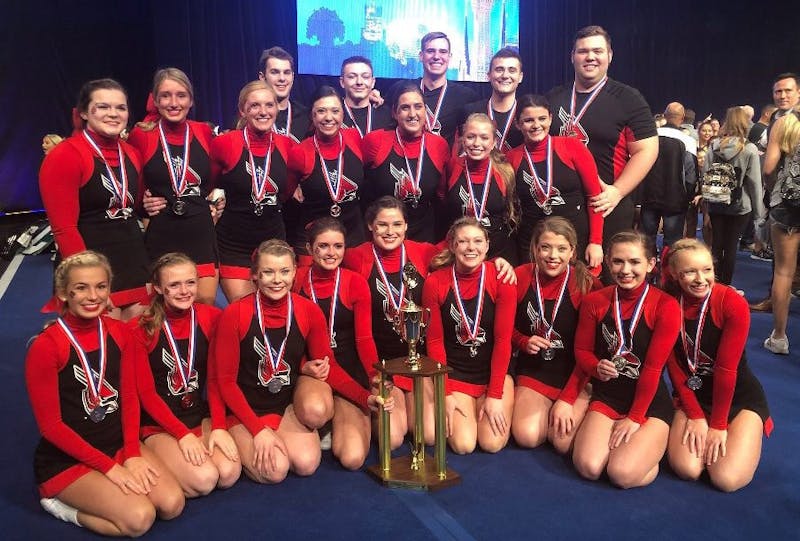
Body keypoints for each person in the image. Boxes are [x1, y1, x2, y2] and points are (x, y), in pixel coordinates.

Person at [25, 251, 184, 535]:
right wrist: (110, 468)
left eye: (100, 286)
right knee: (139, 519)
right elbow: (51, 427)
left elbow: (131, 398)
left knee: (172, 505)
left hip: (117, 443)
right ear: (64, 293)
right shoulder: (46, 346)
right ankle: (63, 508)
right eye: (81, 288)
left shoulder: (120, 332)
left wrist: (133, 454)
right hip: (69, 456)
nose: (92, 296)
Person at [343, 196, 517, 443]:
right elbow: (323, 259)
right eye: (382, 225)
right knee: (391, 440)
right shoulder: (356, 257)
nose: (390, 231)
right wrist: (375, 376)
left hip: (419, 361)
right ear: (370, 225)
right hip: (382, 362)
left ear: (406, 226)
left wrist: (497, 262)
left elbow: (466, 250)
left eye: (396, 224)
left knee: (431, 437)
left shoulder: (423, 252)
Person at [213, 240, 384, 483]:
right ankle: (244, 441)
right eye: (268, 272)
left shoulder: (309, 311)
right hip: (244, 411)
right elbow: (225, 382)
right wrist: (257, 430)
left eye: (284, 271)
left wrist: (363, 398)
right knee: (276, 471)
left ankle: (283, 436)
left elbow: (329, 367)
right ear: (255, 276)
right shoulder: (235, 314)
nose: (277, 280)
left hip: (283, 406)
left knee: (306, 463)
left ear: (294, 273)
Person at [546, 26, 658, 282]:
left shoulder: (628, 98)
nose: (590, 57)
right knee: (561, 279)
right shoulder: (554, 97)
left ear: (610, 55)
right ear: (572, 56)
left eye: (597, 51)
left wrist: (618, 191)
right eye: (583, 51)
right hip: (561, 205)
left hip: (607, 205)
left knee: (605, 280)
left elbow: (647, 149)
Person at [571, 231, 680, 488]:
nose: (625, 270)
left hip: (648, 400)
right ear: (608, 262)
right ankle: (639, 449)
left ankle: (651, 450)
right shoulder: (595, 301)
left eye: (634, 262)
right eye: (618, 262)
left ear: (650, 265)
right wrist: (596, 367)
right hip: (608, 395)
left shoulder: (665, 305)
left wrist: (634, 417)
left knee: (621, 474)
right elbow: (582, 351)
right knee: (589, 467)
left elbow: (653, 369)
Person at [664, 239, 772, 492]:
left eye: (707, 270)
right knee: (687, 469)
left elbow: (726, 369)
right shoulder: (668, 303)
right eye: (690, 272)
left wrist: (719, 425)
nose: (700, 279)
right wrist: (696, 415)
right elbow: (673, 365)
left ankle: (745, 431)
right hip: (693, 395)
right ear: (676, 275)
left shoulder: (732, 303)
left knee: (726, 479)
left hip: (738, 398)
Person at [130, 253, 241, 496]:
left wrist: (220, 425)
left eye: (190, 282)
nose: (184, 291)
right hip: (158, 422)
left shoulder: (212, 317)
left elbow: (215, 378)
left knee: (228, 473)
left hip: (197, 413)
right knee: (205, 479)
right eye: (174, 284)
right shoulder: (140, 328)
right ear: (158, 288)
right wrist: (181, 435)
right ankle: (155, 457)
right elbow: (145, 393)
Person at [39, 79, 150, 321]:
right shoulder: (65, 155)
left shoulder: (131, 153)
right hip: (90, 267)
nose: (113, 114)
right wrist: (90, 281)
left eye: (120, 107)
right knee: (102, 352)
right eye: (103, 107)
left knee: (136, 348)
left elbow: (135, 205)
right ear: (84, 113)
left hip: (133, 264)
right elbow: (64, 228)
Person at [293, 219, 397, 467]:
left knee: (352, 458)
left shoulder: (354, 282)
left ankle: (341, 410)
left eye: (338, 246)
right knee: (314, 410)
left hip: (348, 368)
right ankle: (325, 416)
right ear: (310, 249)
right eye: (323, 246)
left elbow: (364, 339)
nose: (331, 253)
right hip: (315, 370)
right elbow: (286, 338)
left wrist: (375, 376)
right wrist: (302, 365)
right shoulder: (296, 280)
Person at [423, 217, 516, 454]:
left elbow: (504, 340)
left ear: (486, 245)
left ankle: (490, 401)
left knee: (491, 444)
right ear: (452, 246)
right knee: (464, 445)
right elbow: (434, 341)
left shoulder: (501, 279)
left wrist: (495, 395)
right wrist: (444, 392)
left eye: (477, 241)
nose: (470, 248)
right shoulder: (435, 282)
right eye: (463, 241)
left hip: (492, 374)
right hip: (456, 374)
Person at [127, 68, 219, 305]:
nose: (174, 102)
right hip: (162, 233)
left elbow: (213, 180)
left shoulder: (204, 132)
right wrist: (144, 205)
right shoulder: (141, 135)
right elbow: (130, 188)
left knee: (203, 305)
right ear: (155, 101)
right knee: (158, 309)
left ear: (191, 99)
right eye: (166, 95)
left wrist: (211, 203)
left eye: (181, 95)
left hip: (200, 232)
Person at [511, 217, 598, 453]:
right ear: (535, 249)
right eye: (545, 247)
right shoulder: (519, 276)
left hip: (574, 374)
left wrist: (568, 399)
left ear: (572, 252)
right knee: (527, 436)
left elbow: (591, 350)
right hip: (534, 371)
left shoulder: (586, 284)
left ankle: (577, 405)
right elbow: (500, 326)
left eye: (562, 249)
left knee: (563, 443)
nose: (553, 256)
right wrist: (522, 340)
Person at [211, 80, 295, 302]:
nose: (263, 112)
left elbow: (286, 193)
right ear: (243, 110)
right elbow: (207, 185)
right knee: (245, 313)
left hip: (273, 242)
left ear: (277, 108)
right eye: (255, 105)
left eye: (269, 105)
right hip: (233, 245)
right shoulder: (225, 143)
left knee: (272, 313)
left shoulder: (288, 146)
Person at [507, 94, 604, 267]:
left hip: (574, 242)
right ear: (518, 124)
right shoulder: (511, 157)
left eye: (542, 118)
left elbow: (594, 198)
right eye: (528, 120)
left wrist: (595, 242)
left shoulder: (572, 147)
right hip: (533, 244)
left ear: (551, 119)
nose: (536, 125)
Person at [361, 82, 450, 243]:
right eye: (405, 108)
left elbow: (442, 196)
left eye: (418, 107)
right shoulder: (375, 141)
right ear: (394, 113)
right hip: (383, 232)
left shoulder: (439, 145)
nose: (412, 114)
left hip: (423, 234)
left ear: (425, 111)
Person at [287, 86, 366, 259]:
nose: (329, 117)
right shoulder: (300, 152)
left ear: (342, 114)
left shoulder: (354, 138)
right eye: (321, 111)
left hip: (353, 238)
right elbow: (285, 195)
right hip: (314, 241)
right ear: (312, 116)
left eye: (335, 111)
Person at [702, 106, 764, 288]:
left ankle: (712, 284)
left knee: (716, 245)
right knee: (730, 247)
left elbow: (705, 174)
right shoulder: (749, 149)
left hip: (715, 203)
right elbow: (754, 183)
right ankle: (725, 286)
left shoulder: (714, 146)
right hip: (739, 205)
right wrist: (759, 214)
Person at [442, 113, 517, 262]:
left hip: (499, 253)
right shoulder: (453, 167)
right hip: (463, 252)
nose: (477, 143)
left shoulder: (505, 171)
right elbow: (442, 203)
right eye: (470, 137)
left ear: (494, 142)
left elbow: (513, 213)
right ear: (463, 140)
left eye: (484, 138)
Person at [762, 108, 800, 354]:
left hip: (787, 205)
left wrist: (774, 190)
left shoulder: (786, 122)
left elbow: (768, 169)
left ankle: (779, 336)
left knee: (784, 272)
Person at [640, 102, 698, 251]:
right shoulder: (689, 141)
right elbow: (690, 175)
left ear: (664, 115)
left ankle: (647, 271)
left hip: (649, 195)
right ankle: (668, 273)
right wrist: (688, 196)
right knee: (672, 243)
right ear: (683, 118)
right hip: (676, 199)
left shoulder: (651, 136)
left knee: (646, 240)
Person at [415, 31, 477, 144]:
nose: (436, 57)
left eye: (443, 52)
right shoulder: (404, 90)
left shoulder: (466, 96)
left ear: (450, 57)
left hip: (446, 161)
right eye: (430, 51)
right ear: (421, 56)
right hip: (408, 160)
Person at [462, 47, 525, 151]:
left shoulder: (526, 114)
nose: (505, 75)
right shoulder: (470, 112)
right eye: (499, 70)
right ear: (489, 75)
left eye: (512, 70)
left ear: (520, 77)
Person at [257, 46, 309, 143]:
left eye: (286, 72)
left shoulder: (306, 117)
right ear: (262, 77)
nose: (282, 78)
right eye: (275, 72)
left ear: (292, 77)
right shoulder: (253, 116)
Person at [339, 56, 391, 138]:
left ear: (373, 82)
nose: (359, 82)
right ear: (342, 82)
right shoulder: (334, 113)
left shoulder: (386, 114)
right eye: (352, 77)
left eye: (365, 77)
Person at [686, 119, 715, 243]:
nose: (707, 133)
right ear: (699, 132)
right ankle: (690, 244)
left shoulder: (714, 148)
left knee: (707, 221)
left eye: (709, 131)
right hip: (692, 184)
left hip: (708, 185)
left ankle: (709, 248)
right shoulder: (692, 146)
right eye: (704, 130)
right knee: (690, 218)